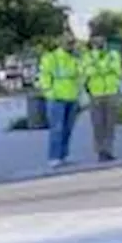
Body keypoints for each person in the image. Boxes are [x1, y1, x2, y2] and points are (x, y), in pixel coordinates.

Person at [39, 33, 81, 168]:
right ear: (61, 43)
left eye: (72, 42)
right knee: (57, 128)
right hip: (56, 98)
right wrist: (48, 92)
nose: (71, 45)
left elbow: (80, 74)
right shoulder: (51, 57)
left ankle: (64, 155)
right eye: (68, 42)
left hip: (72, 96)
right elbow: (44, 75)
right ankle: (54, 157)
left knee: (68, 128)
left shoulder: (74, 58)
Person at [81, 33, 122, 162]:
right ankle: (100, 151)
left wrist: (98, 68)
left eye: (101, 40)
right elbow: (87, 71)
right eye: (95, 41)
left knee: (110, 124)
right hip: (96, 93)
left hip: (111, 92)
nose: (98, 43)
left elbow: (117, 69)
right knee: (98, 124)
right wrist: (104, 68)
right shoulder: (87, 56)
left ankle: (108, 149)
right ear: (92, 42)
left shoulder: (113, 54)